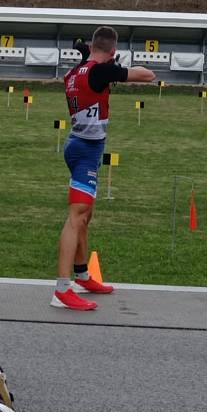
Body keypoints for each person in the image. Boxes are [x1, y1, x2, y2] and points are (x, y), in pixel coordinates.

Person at [52, 26, 155, 311]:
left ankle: (83, 274)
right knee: (77, 217)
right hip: (86, 151)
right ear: (112, 52)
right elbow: (147, 75)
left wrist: (91, 51)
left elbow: (85, 51)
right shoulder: (101, 72)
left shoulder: (79, 70)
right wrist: (117, 67)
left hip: (79, 145)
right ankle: (63, 288)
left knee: (86, 216)